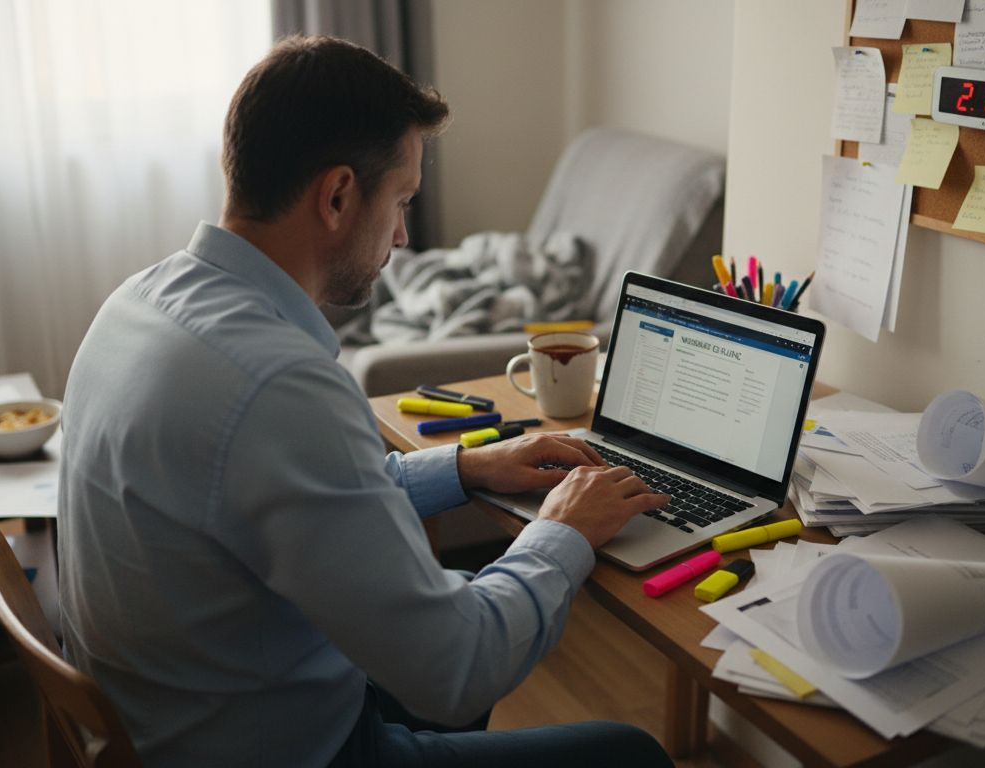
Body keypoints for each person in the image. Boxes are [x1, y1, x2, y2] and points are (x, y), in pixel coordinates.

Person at [57, 35, 672, 767]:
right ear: (339, 194)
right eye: (403, 201)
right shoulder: (279, 384)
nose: (405, 237)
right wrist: (565, 531)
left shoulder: (137, 302)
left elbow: (296, 496)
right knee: (631, 754)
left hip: (181, 708)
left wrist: (472, 468)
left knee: (475, 598)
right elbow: (456, 670)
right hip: (279, 746)